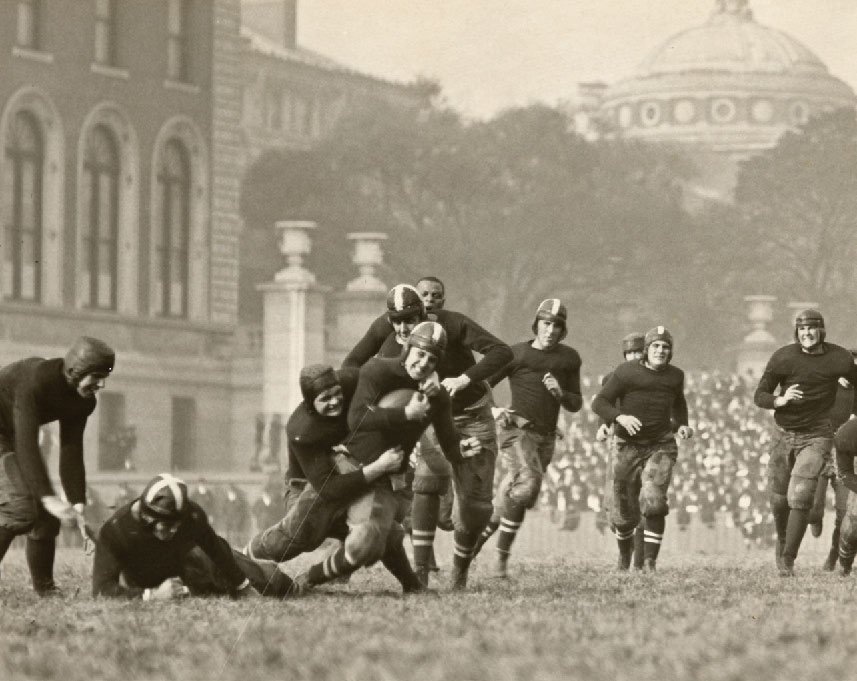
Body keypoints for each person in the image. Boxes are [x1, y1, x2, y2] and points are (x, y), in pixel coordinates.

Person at [343, 283, 512, 589]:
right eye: (396, 320)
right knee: (426, 482)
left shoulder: (454, 323)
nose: (402, 328)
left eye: (410, 319)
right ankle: (420, 572)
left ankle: (459, 570)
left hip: (472, 415)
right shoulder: (387, 329)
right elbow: (352, 366)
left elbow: (503, 352)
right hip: (430, 419)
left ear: (425, 312)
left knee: (474, 507)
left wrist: (465, 379)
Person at [292, 322, 472, 593]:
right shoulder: (378, 370)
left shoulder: (437, 396)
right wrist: (404, 415)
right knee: (289, 538)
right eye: (420, 354)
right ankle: (248, 564)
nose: (423, 363)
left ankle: (309, 577)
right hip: (344, 466)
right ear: (408, 348)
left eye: (432, 359)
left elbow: (449, 442)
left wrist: (465, 449)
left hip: (385, 474)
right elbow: (356, 418)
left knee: (381, 536)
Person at [471, 299, 582, 577]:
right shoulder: (516, 354)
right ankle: (500, 562)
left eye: (557, 325)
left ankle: (475, 544)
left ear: (563, 330)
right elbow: (481, 385)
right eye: (546, 323)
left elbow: (576, 403)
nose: (551, 330)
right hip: (517, 430)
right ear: (537, 324)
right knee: (527, 487)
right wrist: (495, 409)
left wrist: (560, 394)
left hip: (545, 437)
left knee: (513, 497)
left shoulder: (569, 358)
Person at [0, 336, 114, 595]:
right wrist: (47, 496)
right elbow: (27, 442)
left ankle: (45, 589)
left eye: (105, 376)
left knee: (46, 517)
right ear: (75, 371)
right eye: (97, 376)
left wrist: (78, 505)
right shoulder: (36, 381)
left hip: (11, 433)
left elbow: (71, 450)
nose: (102, 384)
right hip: (8, 433)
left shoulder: (84, 400)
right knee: (20, 507)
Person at [754, 309, 857, 576]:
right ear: (796, 332)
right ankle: (782, 541)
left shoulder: (840, 358)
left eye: (811, 328)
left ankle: (788, 559)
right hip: (782, 433)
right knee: (778, 501)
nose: (807, 333)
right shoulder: (783, 356)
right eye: (802, 329)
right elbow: (760, 395)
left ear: (821, 330)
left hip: (818, 436)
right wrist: (780, 399)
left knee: (800, 496)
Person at [92, 473, 294, 599]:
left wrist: (243, 585)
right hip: (151, 579)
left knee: (267, 580)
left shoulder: (193, 515)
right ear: (146, 516)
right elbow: (101, 590)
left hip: (189, 563)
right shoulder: (115, 531)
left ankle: (290, 583)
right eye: (167, 526)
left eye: (177, 525)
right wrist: (150, 595)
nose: (173, 531)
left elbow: (216, 549)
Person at [592, 326, 693, 572]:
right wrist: (619, 418)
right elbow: (599, 402)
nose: (660, 351)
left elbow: (679, 404)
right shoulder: (626, 372)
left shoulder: (675, 376)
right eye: (656, 346)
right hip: (627, 446)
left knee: (654, 499)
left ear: (671, 352)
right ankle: (626, 556)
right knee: (623, 515)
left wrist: (682, 426)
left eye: (665, 347)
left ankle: (649, 562)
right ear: (647, 350)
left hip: (660, 445)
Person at [595, 332, 647, 569]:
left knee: (643, 501)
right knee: (616, 501)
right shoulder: (612, 378)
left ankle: (639, 561)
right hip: (619, 443)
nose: (634, 356)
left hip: (648, 445)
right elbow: (604, 405)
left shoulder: (653, 378)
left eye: (638, 352)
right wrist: (602, 427)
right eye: (630, 353)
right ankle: (624, 553)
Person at [810, 349, 857, 569]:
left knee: (842, 512)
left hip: (845, 455)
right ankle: (814, 517)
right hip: (823, 449)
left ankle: (832, 557)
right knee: (813, 506)